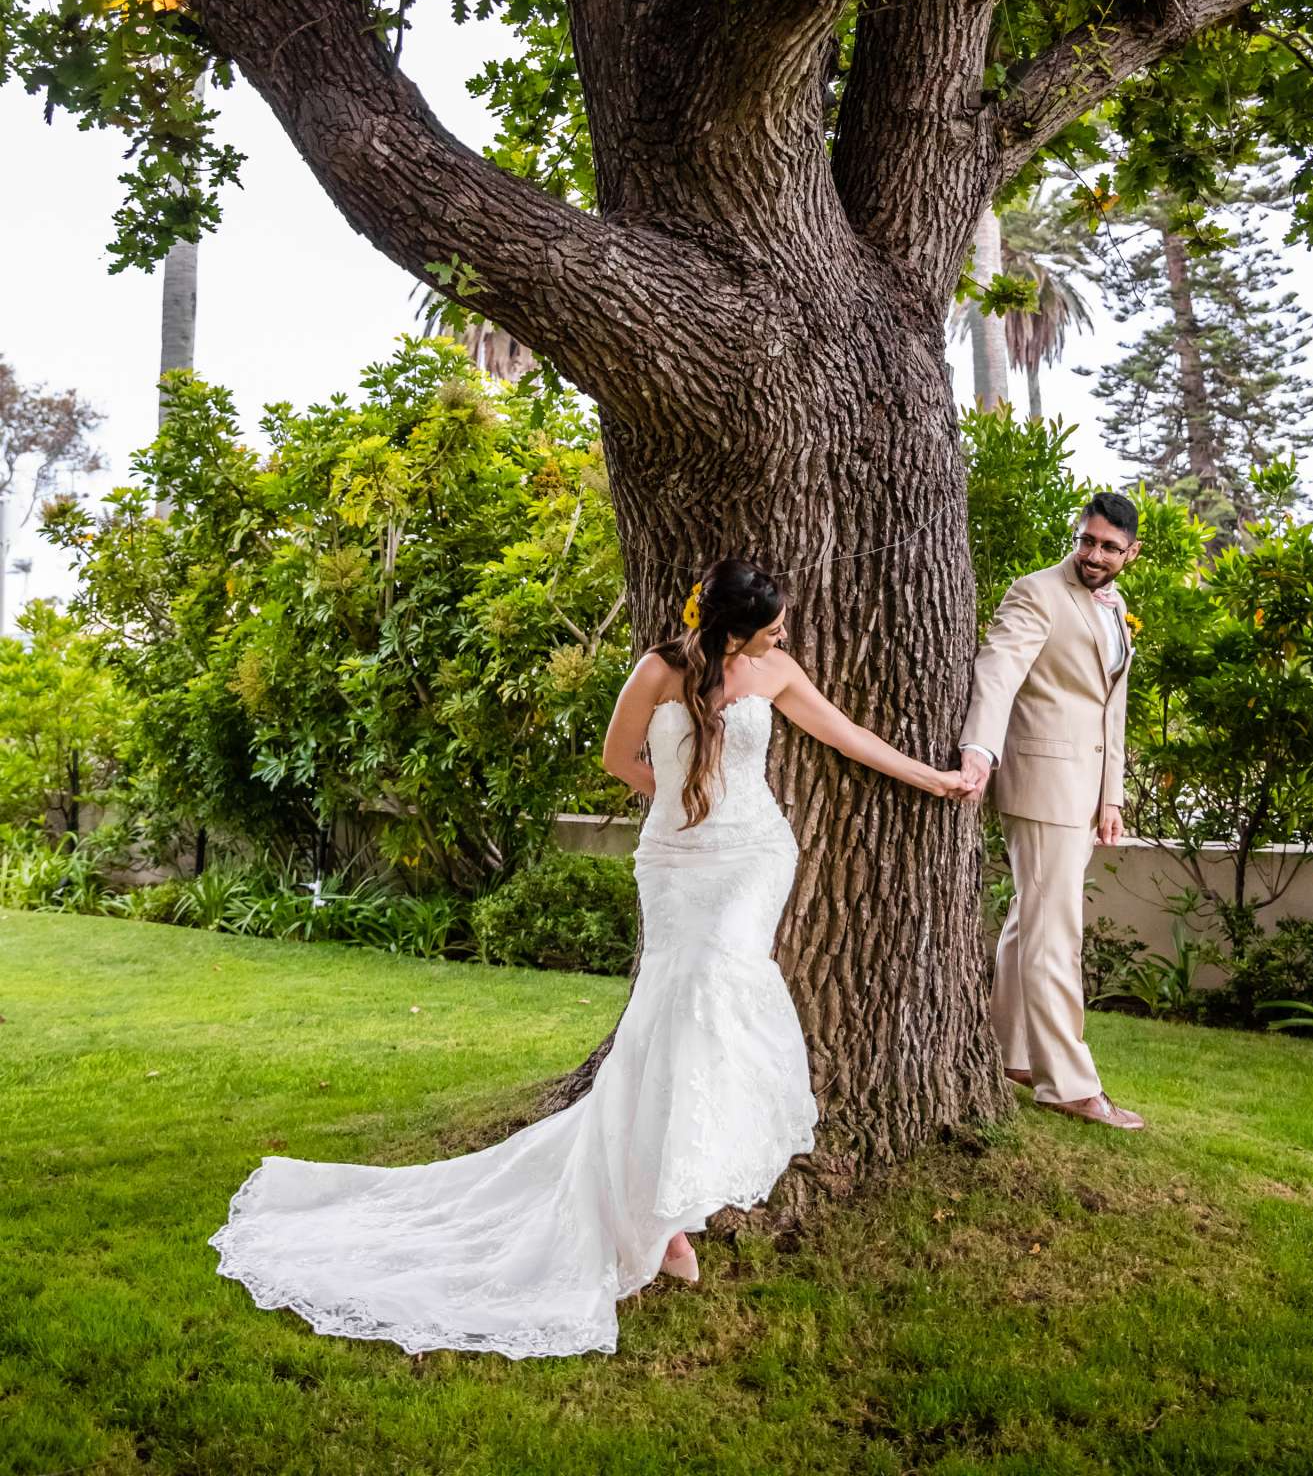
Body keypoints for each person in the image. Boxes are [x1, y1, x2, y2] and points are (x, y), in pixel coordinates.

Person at [209, 556, 968, 1358]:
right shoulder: (658, 669)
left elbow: (843, 733)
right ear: (731, 628)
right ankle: (656, 1214)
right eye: (771, 627)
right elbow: (617, 757)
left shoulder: (775, 670)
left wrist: (934, 780)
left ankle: (677, 1199)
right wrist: (684, 799)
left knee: (717, 996)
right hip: (676, 864)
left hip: (752, 859)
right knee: (661, 1021)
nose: (782, 638)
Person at [959, 491, 1146, 1130]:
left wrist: (1111, 795)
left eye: (1109, 548)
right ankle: (1065, 1081)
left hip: (1081, 791)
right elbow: (998, 669)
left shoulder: (1115, 606)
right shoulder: (1036, 592)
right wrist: (979, 749)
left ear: (1130, 553)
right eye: (1087, 540)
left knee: (1029, 920)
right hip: (1040, 784)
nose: (1094, 555)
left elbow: (1108, 707)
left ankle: (1010, 1052)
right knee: (1054, 931)